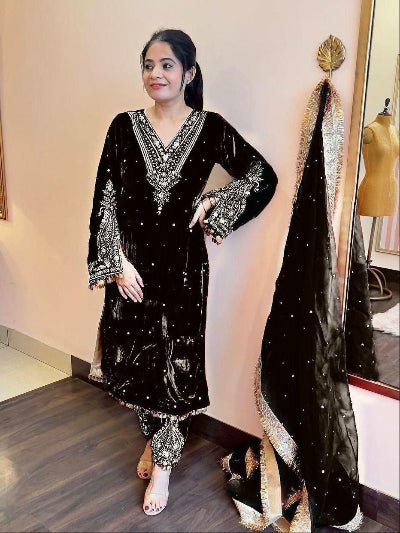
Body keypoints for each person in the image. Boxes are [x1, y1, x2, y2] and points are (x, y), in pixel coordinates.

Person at [87, 28, 278, 516]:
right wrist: (115, 264)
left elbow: (262, 176)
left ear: (189, 73)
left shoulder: (210, 128)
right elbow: (105, 196)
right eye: (148, 65)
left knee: (175, 369)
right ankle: (154, 443)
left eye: (167, 65)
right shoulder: (123, 127)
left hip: (184, 273)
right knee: (136, 365)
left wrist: (216, 201)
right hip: (132, 270)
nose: (156, 74)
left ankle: (165, 466)